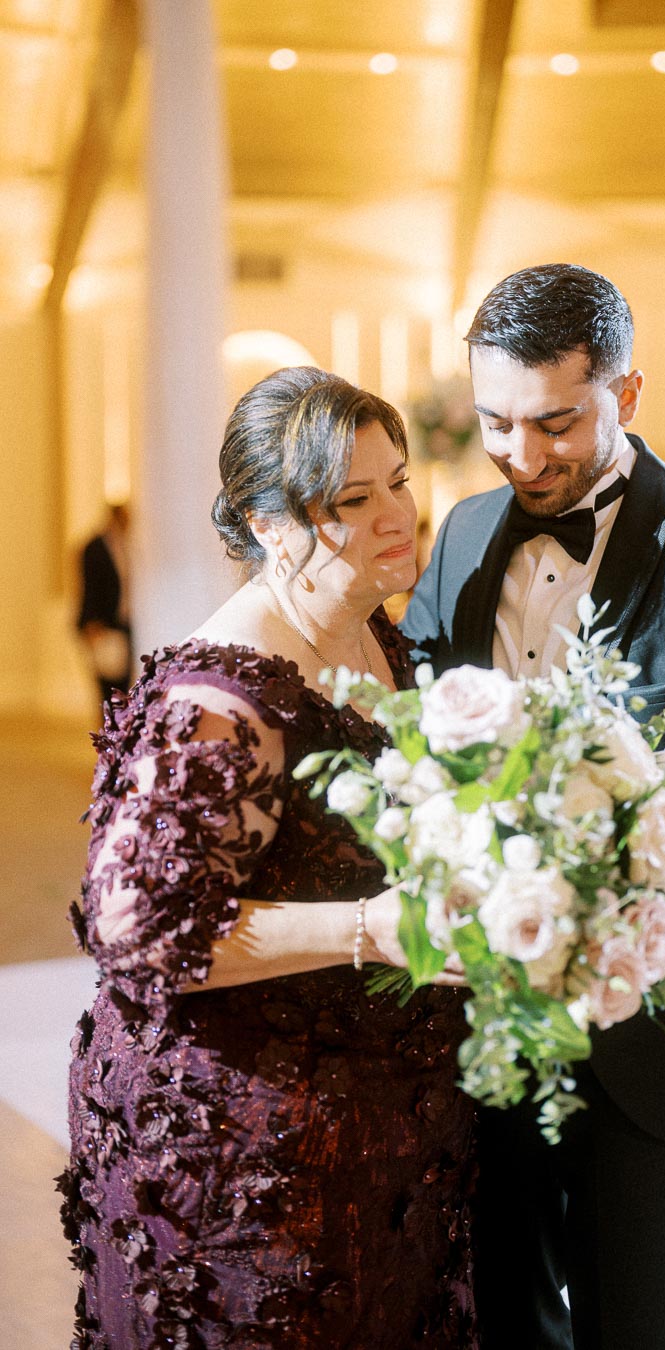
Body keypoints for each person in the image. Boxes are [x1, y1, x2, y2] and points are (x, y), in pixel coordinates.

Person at [401, 263, 665, 1350]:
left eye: (556, 423)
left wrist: (584, 875)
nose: (524, 457)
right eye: (496, 423)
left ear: (626, 397)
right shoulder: (462, 534)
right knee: (505, 1326)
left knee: (641, 1331)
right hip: (492, 1024)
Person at [59, 367, 478, 1349]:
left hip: (388, 1132)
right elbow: (137, 933)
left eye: (400, 482)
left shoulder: (377, 634)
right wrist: (374, 929)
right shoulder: (222, 699)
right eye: (351, 499)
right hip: (252, 1154)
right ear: (268, 521)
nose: (396, 516)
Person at [76, 501, 133, 712]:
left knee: (126, 686)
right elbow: (88, 588)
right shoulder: (94, 547)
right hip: (104, 625)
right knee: (107, 689)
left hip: (126, 624)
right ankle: (108, 734)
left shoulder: (130, 546)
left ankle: (121, 733)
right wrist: (93, 625)